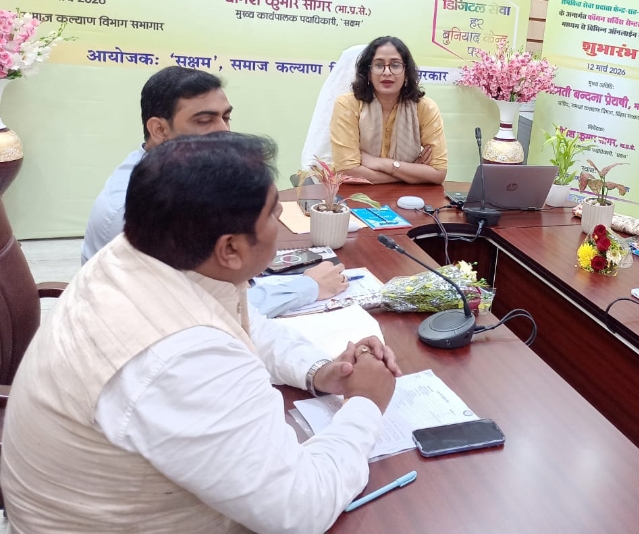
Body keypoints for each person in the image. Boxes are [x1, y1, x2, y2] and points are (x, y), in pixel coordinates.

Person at [1, 133, 401, 533]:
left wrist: (319, 371)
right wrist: (365, 404)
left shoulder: (141, 253)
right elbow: (299, 508)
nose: (281, 221)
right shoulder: (184, 357)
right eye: (272, 214)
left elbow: (243, 324)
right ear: (230, 250)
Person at [81, 65, 345, 317]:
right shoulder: (134, 208)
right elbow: (194, 308)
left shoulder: (181, 175)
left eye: (226, 117)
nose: (224, 131)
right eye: (205, 120)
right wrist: (306, 288)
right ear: (159, 130)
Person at [330, 35, 448, 184]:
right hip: (355, 193)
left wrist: (384, 164)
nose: (387, 72)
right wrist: (411, 172)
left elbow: (438, 173)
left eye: (395, 65)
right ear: (368, 73)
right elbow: (348, 172)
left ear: (406, 72)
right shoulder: (348, 104)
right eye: (379, 65)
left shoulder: (425, 108)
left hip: (409, 195)